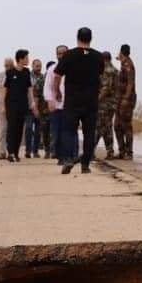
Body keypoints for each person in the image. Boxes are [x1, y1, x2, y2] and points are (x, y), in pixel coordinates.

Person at [54, 28, 104, 175]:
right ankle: (85, 165)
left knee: (69, 131)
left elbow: (57, 75)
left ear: (77, 38)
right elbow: (100, 75)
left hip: (72, 100)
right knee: (89, 133)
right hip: (91, 101)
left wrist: (57, 91)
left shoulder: (69, 55)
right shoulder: (98, 56)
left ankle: (69, 159)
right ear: (91, 38)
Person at [0, 49, 33, 162]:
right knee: (12, 128)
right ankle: (11, 152)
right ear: (21, 59)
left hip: (23, 104)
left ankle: (16, 153)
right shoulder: (9, 73)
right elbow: (4, 89)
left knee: (19, 129)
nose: (28, 59)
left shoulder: (27, 72)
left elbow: (29, 88)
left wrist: (32, 102)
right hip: (11, 104)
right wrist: (3, 105)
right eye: (26, 58)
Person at [47, 45, 71, 164]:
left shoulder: (73, 68)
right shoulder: (52, 69)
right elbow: (47, 88)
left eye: (63, 53)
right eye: (59, 53)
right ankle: (60, 156)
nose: (61, 56)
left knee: (69, 132)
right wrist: (50, 101)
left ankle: (69, 157)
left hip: (70, 106)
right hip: (56, 107)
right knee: (57, 134)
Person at [95, 51, 118, 159]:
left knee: (99, 126)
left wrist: (97, 100)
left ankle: (90, 151)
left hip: (105, 104)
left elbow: (106, 88)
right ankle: (110, 152)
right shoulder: (115, 71)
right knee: (107, 127)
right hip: (112, 104)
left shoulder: (107, 71)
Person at [115, 44, 136, 160]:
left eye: (119, 53)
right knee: (117, 126)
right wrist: (119, 59)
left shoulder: (128, 65)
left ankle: (129, 153)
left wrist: (126, 98)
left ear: (122, 52)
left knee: (126, 126)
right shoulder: (124, 62)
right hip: (120, 99)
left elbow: (130, 83)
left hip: (126, 100)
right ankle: (122, 151)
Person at [0, 58, 14, 160]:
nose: (7, 67)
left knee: (12, 129)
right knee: (3, 129)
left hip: (13, 106)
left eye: (9, 65)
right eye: (6, 65)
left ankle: (12, 151)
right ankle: (2, 152)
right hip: (1, 106)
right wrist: (2, 99)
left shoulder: (16, 75)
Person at [24, 59, 44, 158]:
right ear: (32, 66)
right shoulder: (27, 77)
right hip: (29, 108)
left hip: (40, 108)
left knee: (38, 131)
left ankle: (35, 151)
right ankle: (28, 150)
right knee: (28, 128)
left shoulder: (43, 77)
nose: (39, 68)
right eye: (37, 66)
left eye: (40, 66)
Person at [34, 60, 52, 158]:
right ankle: (48, 150)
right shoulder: (41, 80)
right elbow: (36, 95)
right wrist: (36, 108)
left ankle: (53, 150)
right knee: (45, 131)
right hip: (44, 110)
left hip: (54, 110)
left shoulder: (59, 77)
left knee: (53, 131)